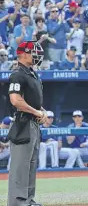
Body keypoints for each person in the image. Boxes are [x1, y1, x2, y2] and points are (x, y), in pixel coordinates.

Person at [7, 40, 47, 206]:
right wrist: (37, 112)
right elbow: (15, 100)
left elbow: (33, 101)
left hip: (33, 123)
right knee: (20, 166)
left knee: (30, 165)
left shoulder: (32, 74)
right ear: (22, 54)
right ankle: (17, 202)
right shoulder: (17, 74)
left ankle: (28, 200)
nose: (36, 54)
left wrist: (42, 111)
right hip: (22, 123)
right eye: (32, 51)